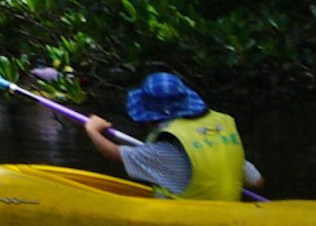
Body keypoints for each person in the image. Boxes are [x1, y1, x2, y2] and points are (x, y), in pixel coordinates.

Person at [82, 71, 262, 200]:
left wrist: (92, 129)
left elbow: (114, 154)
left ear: (149, 116)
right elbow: (257, 182)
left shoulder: (164, 152)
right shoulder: (217, 140)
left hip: (190, 219)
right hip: (227, 214)